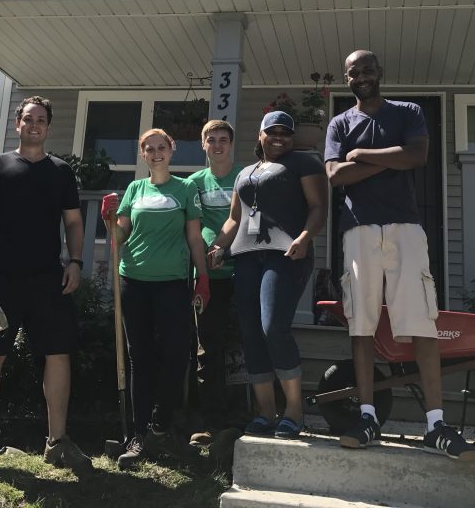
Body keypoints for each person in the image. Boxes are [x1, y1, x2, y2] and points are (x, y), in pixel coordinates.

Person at [324, 50, 475, 461]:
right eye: (353, 72)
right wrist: (390, 160)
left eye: (368, 70)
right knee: (362, 323)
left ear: (380, 73)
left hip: (405, 228)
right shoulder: (340, 123)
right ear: (346, 78)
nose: (361, 77)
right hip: (357, 229)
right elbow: (336, 176)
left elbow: (418, 156)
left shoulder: (407, 111)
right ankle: (369, 415)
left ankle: (436, 424)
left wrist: (363, 156)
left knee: (421, 321)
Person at [0, 96, 93, 483]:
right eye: (28, 119)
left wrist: (76, 261)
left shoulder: (61, 172)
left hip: (48, 280)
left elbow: (72, 222)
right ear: (17, 124)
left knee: (58, 354)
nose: (34, 125)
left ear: (48, 127)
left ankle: (57, 441)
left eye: (41, 120)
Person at [208, 110, 328, 440]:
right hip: (247, 258)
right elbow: (235, 219)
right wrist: (218, 246)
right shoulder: (245, 172)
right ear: (259, 135)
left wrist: (305, 238)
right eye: (272, 132)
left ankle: (293, 411)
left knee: (273, 326)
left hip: (286, 255)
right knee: (251, 334)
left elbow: (318, 206)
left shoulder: (304, 164)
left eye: (285, 133)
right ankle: (265, 413)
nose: (279, 137)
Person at [104, 128, 211, 470]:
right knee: (140, 358)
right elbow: (121, 235)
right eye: (148, 149)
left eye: (161, 147)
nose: (155, 153)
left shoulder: (185, 188)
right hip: (133, 281)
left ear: (171, 150)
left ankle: (161, 427)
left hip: (172, 283)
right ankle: (138, 436)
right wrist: (110, 221)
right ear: (143, 154)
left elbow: (194, 239)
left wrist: (203, 278)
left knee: (177, 354)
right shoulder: (135, 189)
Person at [187, 120, 244, 445]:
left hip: (245, 271)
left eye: (224, 140)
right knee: (209, 349)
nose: (218, 145)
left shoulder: (245, 177)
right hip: (209, 278)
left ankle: (250, 415)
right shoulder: (194, 182)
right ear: (203, 144)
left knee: (244, 346)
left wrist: (228, 249)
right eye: (212, 140)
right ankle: (212, 422)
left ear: (231, 145)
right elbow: (192, 229)